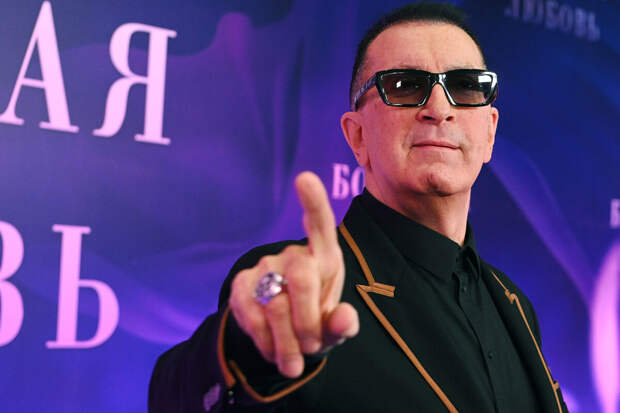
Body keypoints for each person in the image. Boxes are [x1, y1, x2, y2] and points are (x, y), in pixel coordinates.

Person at [149, 3, 569, 412]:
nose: (439, 110)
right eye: (404, 86)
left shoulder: (513, 302)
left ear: (489, 133)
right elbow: (178, 397)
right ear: (357, 137)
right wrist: (244, 348)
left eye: (464, 86)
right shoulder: (298, 288)